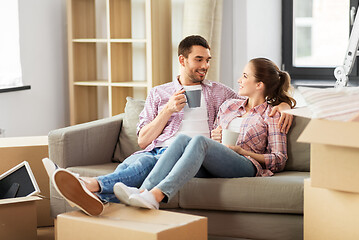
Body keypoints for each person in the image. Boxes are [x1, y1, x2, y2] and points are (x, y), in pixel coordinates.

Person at [48, 36, 293, 216]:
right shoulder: (161, 94)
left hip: (205, 156)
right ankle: (98, 194)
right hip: (161, 150)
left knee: (160, 156)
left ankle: (93, 185)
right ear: (182, 60)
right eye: (199, 59)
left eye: (208, 60)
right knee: (142, 160)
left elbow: (260, 101)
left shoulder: (221, 94)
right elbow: (143, 141)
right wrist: (167, 110)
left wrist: (284, 105)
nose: (205, 66)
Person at [114, 57, 297, 210]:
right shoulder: (229, 106)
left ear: (259, 84)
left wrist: (243, 152)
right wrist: (215, 137)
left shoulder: (273, 115)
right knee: (184, 139)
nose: (239, 80)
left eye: (244, 76)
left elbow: (279, 159)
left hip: (247, 164)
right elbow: (212, 137)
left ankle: (156, 194)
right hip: (219, 158)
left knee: (199, 141)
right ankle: (143, 193)